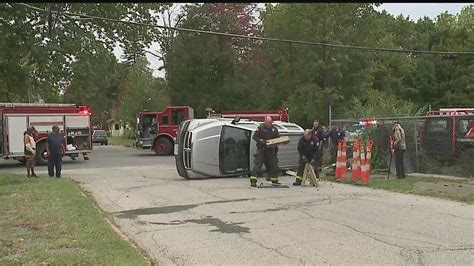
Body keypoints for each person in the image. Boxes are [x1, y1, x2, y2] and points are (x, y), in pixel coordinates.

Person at [249, 116, 280, 187]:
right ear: (265, 121)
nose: (270, 124)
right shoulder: (261, 128)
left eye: (271, 122)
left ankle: (274, 180)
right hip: (262, 149)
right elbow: (255, 137)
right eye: (268, 122)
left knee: (273, 165)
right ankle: (253, 181)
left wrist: (276, 142)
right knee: (258, 165)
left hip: (271, 150)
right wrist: (261, 141)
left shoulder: (274, 129)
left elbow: (277, 138)